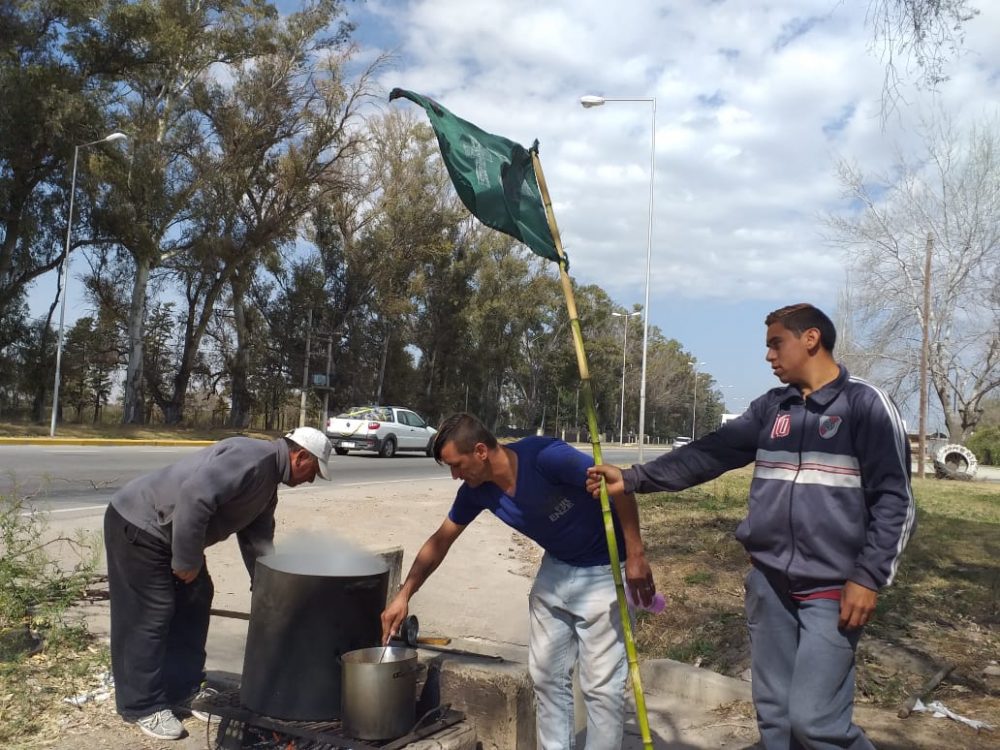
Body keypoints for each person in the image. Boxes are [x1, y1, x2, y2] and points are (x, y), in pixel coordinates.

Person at [587, 303, 916, 750]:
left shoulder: (864, 405)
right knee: (776, 720)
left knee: (816, 721)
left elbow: (895, 499)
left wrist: (869, 576)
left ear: (811, 339)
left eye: (776, 343)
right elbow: (708, 454)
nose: (768, 356)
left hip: (833, 590)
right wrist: (632, 478)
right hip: (770, 584)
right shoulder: (772, 409)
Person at [381, 413, 655, 750]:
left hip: (604, 569)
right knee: (546, 677)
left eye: (456, 465)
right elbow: (440, 541)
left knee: (601, 688)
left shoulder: (545, 457)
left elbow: (620, 487)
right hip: (556, 568)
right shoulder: (476, 491)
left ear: (480, 451)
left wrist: (636, 555)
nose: (454, 476)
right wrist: (404, 593)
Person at [103, 427, 332, 741]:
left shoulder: (267, 484)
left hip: (169, 533)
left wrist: (267, 585)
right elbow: (195, 497)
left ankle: (180, 690)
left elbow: (258, 538)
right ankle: (141, 705)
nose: (311, 479)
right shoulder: (253, 458)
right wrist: (186, 560)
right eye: (314, 471)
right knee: (150, 614)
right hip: (139, 526)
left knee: (196, 600)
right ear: (301, 455)